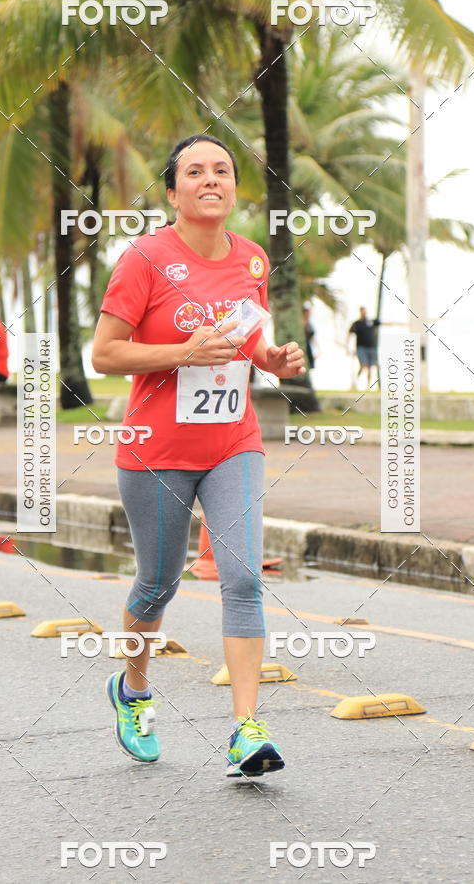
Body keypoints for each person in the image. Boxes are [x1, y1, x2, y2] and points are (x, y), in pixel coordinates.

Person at [92, 134, 305, 778]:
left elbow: (252, 340)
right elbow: (104, 354)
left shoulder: (252, 260)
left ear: (234, 187)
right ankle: (132, 691)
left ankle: (245, 730)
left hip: (232, 441)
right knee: (157, 584)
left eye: (222, 170)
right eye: (195, 171)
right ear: (174, 190)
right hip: (156, 449)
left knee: (242, 579)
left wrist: (274, 358)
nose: (210, 179)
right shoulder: (144, 259)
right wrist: (182, 351)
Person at [302, 300, 316, 369]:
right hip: (304, 349)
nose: (309, 313)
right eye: (307, 311)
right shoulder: (301, 322)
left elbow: (313, 338)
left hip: (310, 349)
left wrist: (317, 350)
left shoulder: (310, 323)